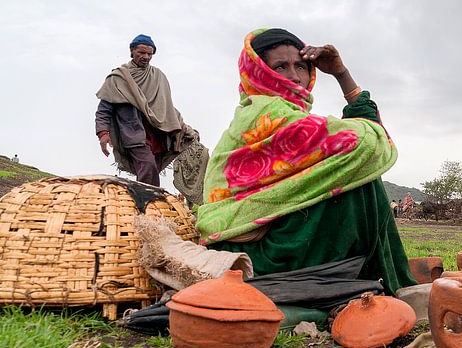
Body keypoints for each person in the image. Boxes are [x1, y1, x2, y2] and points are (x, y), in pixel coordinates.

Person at [195, 28, 416, 295]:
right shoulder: (267, 112)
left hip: (275, 242)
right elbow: (367, 141)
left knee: (355, 170)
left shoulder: (284, 115)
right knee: (359, 178)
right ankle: (389, 282)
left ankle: (374, 280)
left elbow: (365, 141)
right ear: (258, 72)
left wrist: (339, 71)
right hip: (258, 254)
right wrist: (342, 75)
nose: (294, 76)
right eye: (280, 66)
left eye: (300, 66)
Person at [95, 34, 194, 186]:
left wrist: (182, 126)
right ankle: (148, 203)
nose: (146, 57)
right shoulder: (118, 78)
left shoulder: (158, 76)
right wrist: (103, 133)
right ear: (132, 51)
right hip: (133, 133)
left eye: (149, 54)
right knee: (148, 167)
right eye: (141, 53)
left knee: (151, 169)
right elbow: (104, 109)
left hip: (158, 134)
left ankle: (145, 204)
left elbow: (165, 106)